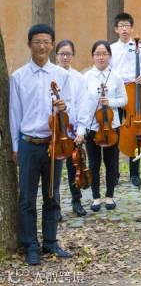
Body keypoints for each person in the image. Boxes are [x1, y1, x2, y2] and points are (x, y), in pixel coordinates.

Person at [10, 24, 77, 265]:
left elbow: (72, 109)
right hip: (28, 143)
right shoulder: (18, 77)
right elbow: (14, 114)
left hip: (54, 142)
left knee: (52, 194)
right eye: (37, 42)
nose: (42, 46)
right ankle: (30, 245)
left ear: (52, 45)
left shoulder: (62, 75)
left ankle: (50, 241)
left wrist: (64, 108)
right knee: (27, 198)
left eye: (46, 42)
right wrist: (15, 147)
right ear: (29, 44)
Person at [81, 41, 127, 212]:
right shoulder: (86, 77)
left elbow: (124, 100)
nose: (101, 57)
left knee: (111, 162)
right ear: (93, 56)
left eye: (104, 54)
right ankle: (95, 197)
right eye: (97, 54)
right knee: (94, 163)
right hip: (93, 126)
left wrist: (110, 101)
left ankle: (109, 195)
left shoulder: (116, 76)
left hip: (111, 126)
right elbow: (82, 102)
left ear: (109, 56)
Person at [110, 12, 141, 188]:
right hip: (117, 91)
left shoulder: (139, 47)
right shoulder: (111, 48)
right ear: (116, 29)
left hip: (135, 91)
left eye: (127, 26)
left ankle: (135, 173)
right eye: (121, 26)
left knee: (135, 131)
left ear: (132, 28)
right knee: (116, 131)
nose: (124, 29)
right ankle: (114, 173)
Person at [54, 40, 88, 217]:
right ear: (56, 56)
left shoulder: (79, 78)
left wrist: (81, 131)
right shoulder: (51, 75)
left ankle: (77, 201)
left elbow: (83, 105)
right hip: (56, 130)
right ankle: (55, 206)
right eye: (62, 54)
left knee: (75, 167)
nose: (65, 57)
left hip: (73, 130)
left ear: (73, 56)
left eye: (68, 54)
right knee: (55, 170)